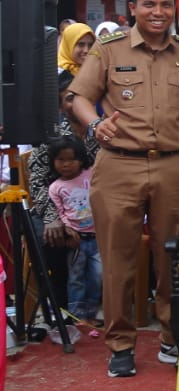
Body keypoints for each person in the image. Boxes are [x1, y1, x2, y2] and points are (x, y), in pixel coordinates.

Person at [69, 0, 179, 378]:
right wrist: (95, 125)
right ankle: (121, 344)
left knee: (171, 255)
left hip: (172, 165)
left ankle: (171, 336)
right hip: (118, 163)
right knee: (118, 258)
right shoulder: (109, 49)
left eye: (165, 5)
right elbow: (79, 96)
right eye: (149, 5)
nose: (158, 12)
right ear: (133, 8)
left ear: (173, 10)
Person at [47, 135, 100, 323]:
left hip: (97, 237)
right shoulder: (55, 187)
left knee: (97, 275)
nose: (66, 164)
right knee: (76, 277)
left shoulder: (91, 174)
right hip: (76, 240)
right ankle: (77, 315)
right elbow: (60, 212)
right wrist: (68, 229)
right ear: (53, 161)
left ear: (81, 160)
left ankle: (91, 311)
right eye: (61, 160)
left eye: (71, 159)